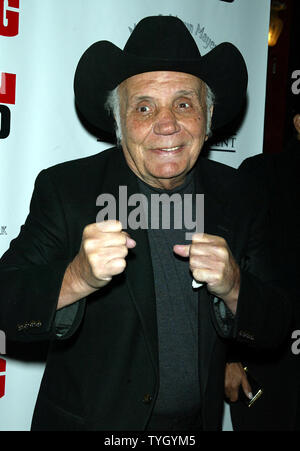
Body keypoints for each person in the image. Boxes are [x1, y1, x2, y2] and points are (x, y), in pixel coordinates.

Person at [0, 15, 293, 431]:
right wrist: (75, 278)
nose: (167, 123)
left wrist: (234, 287)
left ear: (207, 120)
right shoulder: (69, 191)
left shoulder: (240, 195)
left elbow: (277, 323)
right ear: (119, 125)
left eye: (184, 104)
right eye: (144, 107)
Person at [225, 112, 300, 430]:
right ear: (298, 122)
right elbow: (230, 267)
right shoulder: (260, 174)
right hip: (268, 362)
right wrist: (228, 357)